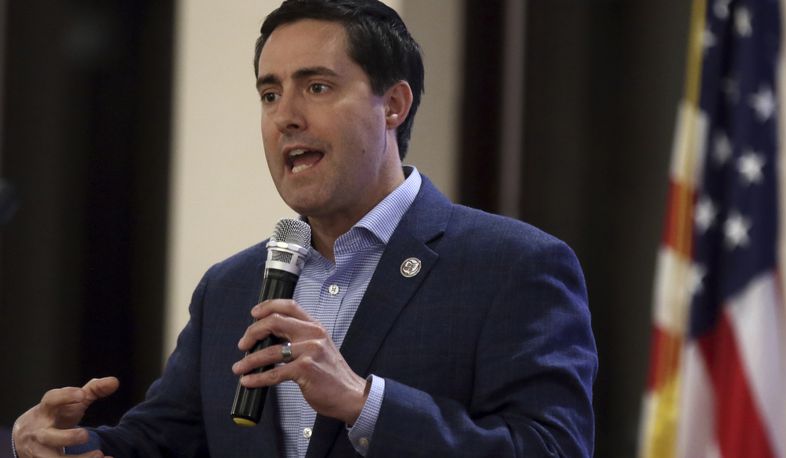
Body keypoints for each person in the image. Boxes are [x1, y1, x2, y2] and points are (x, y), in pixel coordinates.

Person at [11, 0, 598, 456]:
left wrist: (365, 404)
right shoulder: (232, 287)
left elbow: (552, 448)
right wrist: (74, 446)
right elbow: (166, 441)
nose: (286, 116)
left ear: (393, 105)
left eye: (316, 87)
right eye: (270, 93)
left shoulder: (514, 265)